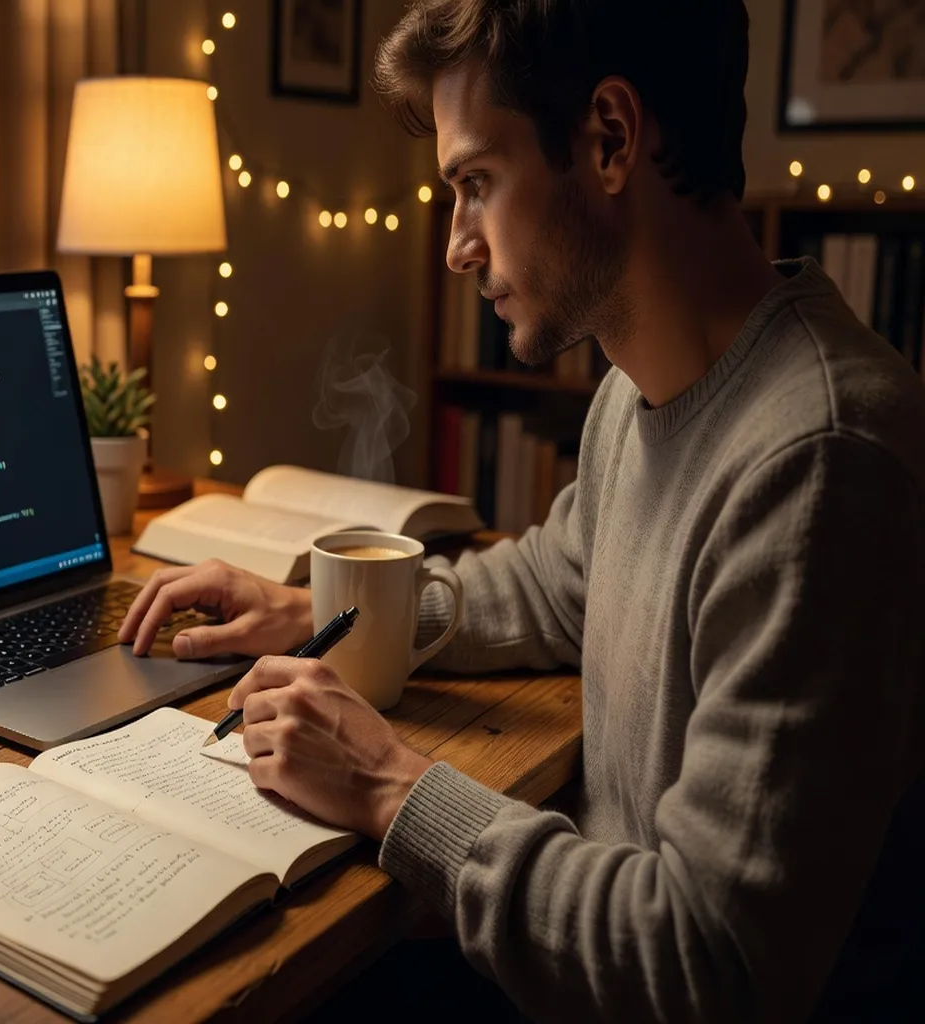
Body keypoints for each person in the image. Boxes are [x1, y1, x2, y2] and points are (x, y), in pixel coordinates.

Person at [118, 1, 925, 1020]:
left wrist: (389, 788)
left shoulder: (819, 462)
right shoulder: (642, 393)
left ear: (610, 139)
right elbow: (555, 580)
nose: (457, 245)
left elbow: (708, 962)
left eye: (476, 185)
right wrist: (321, 611)